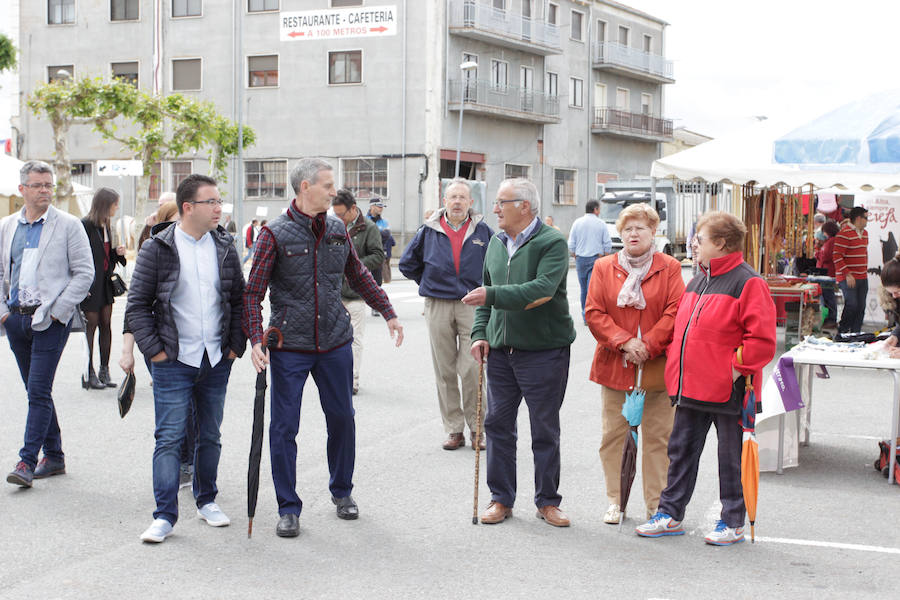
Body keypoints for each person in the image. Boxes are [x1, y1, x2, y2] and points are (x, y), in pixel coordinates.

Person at [242, 158, 404, 538]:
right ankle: (288, 507)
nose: (335, 192)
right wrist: (254, 339)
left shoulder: (336, 228)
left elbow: (358, 274)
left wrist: (388, 311)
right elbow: (252, 294)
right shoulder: (274, 234)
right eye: (328, 186)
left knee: (343, 419)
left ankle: (342, 492)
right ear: (305, 188)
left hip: (334, 341)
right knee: (284, 428)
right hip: (289, 346)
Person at [636, 211, 776, 546]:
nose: (694, 243)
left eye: (700, 237)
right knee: (680, 451)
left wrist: (731, 368)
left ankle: (732, 521)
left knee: (730, 459)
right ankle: (669, 514)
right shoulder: (699, 278)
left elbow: (762, 341)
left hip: (731, 390)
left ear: (721, 243)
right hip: (691, 387)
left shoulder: (749, 282)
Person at [126, 174, 246, 543]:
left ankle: (207, 499)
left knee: (210, 435)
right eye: (211, 201)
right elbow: (137, 306)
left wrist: (234, 346)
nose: (218, 208)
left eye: (219, 201)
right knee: (169, 437)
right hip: (174, 360)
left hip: (215, 358)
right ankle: (164, 515)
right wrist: (156, 352)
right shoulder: (157, 248)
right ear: (187, 207)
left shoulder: (224, 246)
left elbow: (239, 300)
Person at [463, 178, 576, 528]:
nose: (494, 209)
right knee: (497, 426)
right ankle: (501, 499)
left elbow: (541, 290)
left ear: (524, 206)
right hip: (500, 352)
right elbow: (487, 294)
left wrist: (491, 297)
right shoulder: (495, 242)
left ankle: (547, 501)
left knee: (544, 428)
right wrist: (480, 334)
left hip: (544, 351)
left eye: (501, 202)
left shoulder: (552, 242)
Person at [585, 204, 684, 525]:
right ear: (620, 233)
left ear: (653, 232)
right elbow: (594, 313)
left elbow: (675, 311)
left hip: (657, 366)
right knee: (613, 436)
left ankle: (656, 505)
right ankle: (616, 501)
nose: (633, 233)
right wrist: (625, 342)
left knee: (658, 438)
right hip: (616, 363)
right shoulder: (603, 267)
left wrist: (649, 344)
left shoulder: (669, 267)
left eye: (640, 228)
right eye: (627, 228)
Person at [2, 160, 93, 487]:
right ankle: (54, 456)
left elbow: (85, 273)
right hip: (16, 320)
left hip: (51, 321)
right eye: (38, 185)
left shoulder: (68, 225)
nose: (45, 191)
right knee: (35, 391)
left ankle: (26, 462)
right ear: (22, 189)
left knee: (38, 390)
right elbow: (2, 273)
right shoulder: (7, 226)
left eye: (48, 185)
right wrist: (4, 313)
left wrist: (58, 312)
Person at [399, 177, 493, 451]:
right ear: (444, 201)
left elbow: (495, 267)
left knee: (473, 367)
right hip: (437, 304)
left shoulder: (483, 231)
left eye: (462, 198)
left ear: (470, 203)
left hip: (472, 304)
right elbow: (407, 264)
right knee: (445, 370)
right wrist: (429, 283)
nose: (457, 202)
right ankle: (454, 430)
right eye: (452, 197)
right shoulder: (428, 231)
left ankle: (477, 429)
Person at [331, 188, 385, 395]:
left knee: (355, 338)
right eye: (335, 214)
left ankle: (352, 379)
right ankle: (335, 376)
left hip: (354, 293)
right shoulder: (334, 226)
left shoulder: (369, 228)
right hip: (334, 293)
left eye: (341, 214)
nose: (338, 218)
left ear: (353, 208)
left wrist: (354, 266)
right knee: (333, 338)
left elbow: (378, 255)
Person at [80, 187, 127, 390]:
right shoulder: (85, 225)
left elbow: (108, 257)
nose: (117, 208)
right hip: (90, 284)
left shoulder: (106, 225)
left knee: (106, 325)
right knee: (90, 326)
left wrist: (119, 253)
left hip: (105, 283)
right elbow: (79, 257)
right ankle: (88, 373)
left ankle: (104, 370)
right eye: (115, 203)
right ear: (105, 204)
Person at [568, 200, 612, 321]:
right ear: (595, 210)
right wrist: (605, 257)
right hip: (596, 258)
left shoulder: (577, 223)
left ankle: (585, 315)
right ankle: (592, 314)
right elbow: (607, 244)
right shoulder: (601, 223)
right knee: (592, 289)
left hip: (580, 259)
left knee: (584, 289)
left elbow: (571, 244)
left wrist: (575, 255)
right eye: (599, 209)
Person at [833, 206, 869, 333]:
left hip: (862, 277)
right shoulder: (843, 234)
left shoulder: (865, 234)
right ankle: (842, 332)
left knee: (861, 307)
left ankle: (855, 334)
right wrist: (847, 274)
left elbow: (864, 253)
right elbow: (837, 256)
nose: (867, 221)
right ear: (858, 218)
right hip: (848, 277)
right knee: (852, 304)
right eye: (866, 218)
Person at [815, 220, 840, 327]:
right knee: (826, 296)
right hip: (825, 273)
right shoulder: (830, 241)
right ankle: (829, 318)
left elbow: (825, 256)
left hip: (828, 273)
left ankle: (831, 318)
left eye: (824, 231)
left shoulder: (832, 241)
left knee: (828, 296)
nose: (823, 234)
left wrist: (817, 253)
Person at [367, 197, 395, 287]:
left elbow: (387, 235)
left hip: (378, 254)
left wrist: (372, 234)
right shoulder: (364, 220)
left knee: (378, 282)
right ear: (372, 207)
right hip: (366, 254)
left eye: (382, 206)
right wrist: (378, 234)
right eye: (379, 206)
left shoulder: (384, 222)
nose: (381, 208)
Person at [880, 254, 900, 359]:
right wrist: (895, 336)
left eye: (897, 292)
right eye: (891, 293)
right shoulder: (895, 300)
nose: (894, 296)